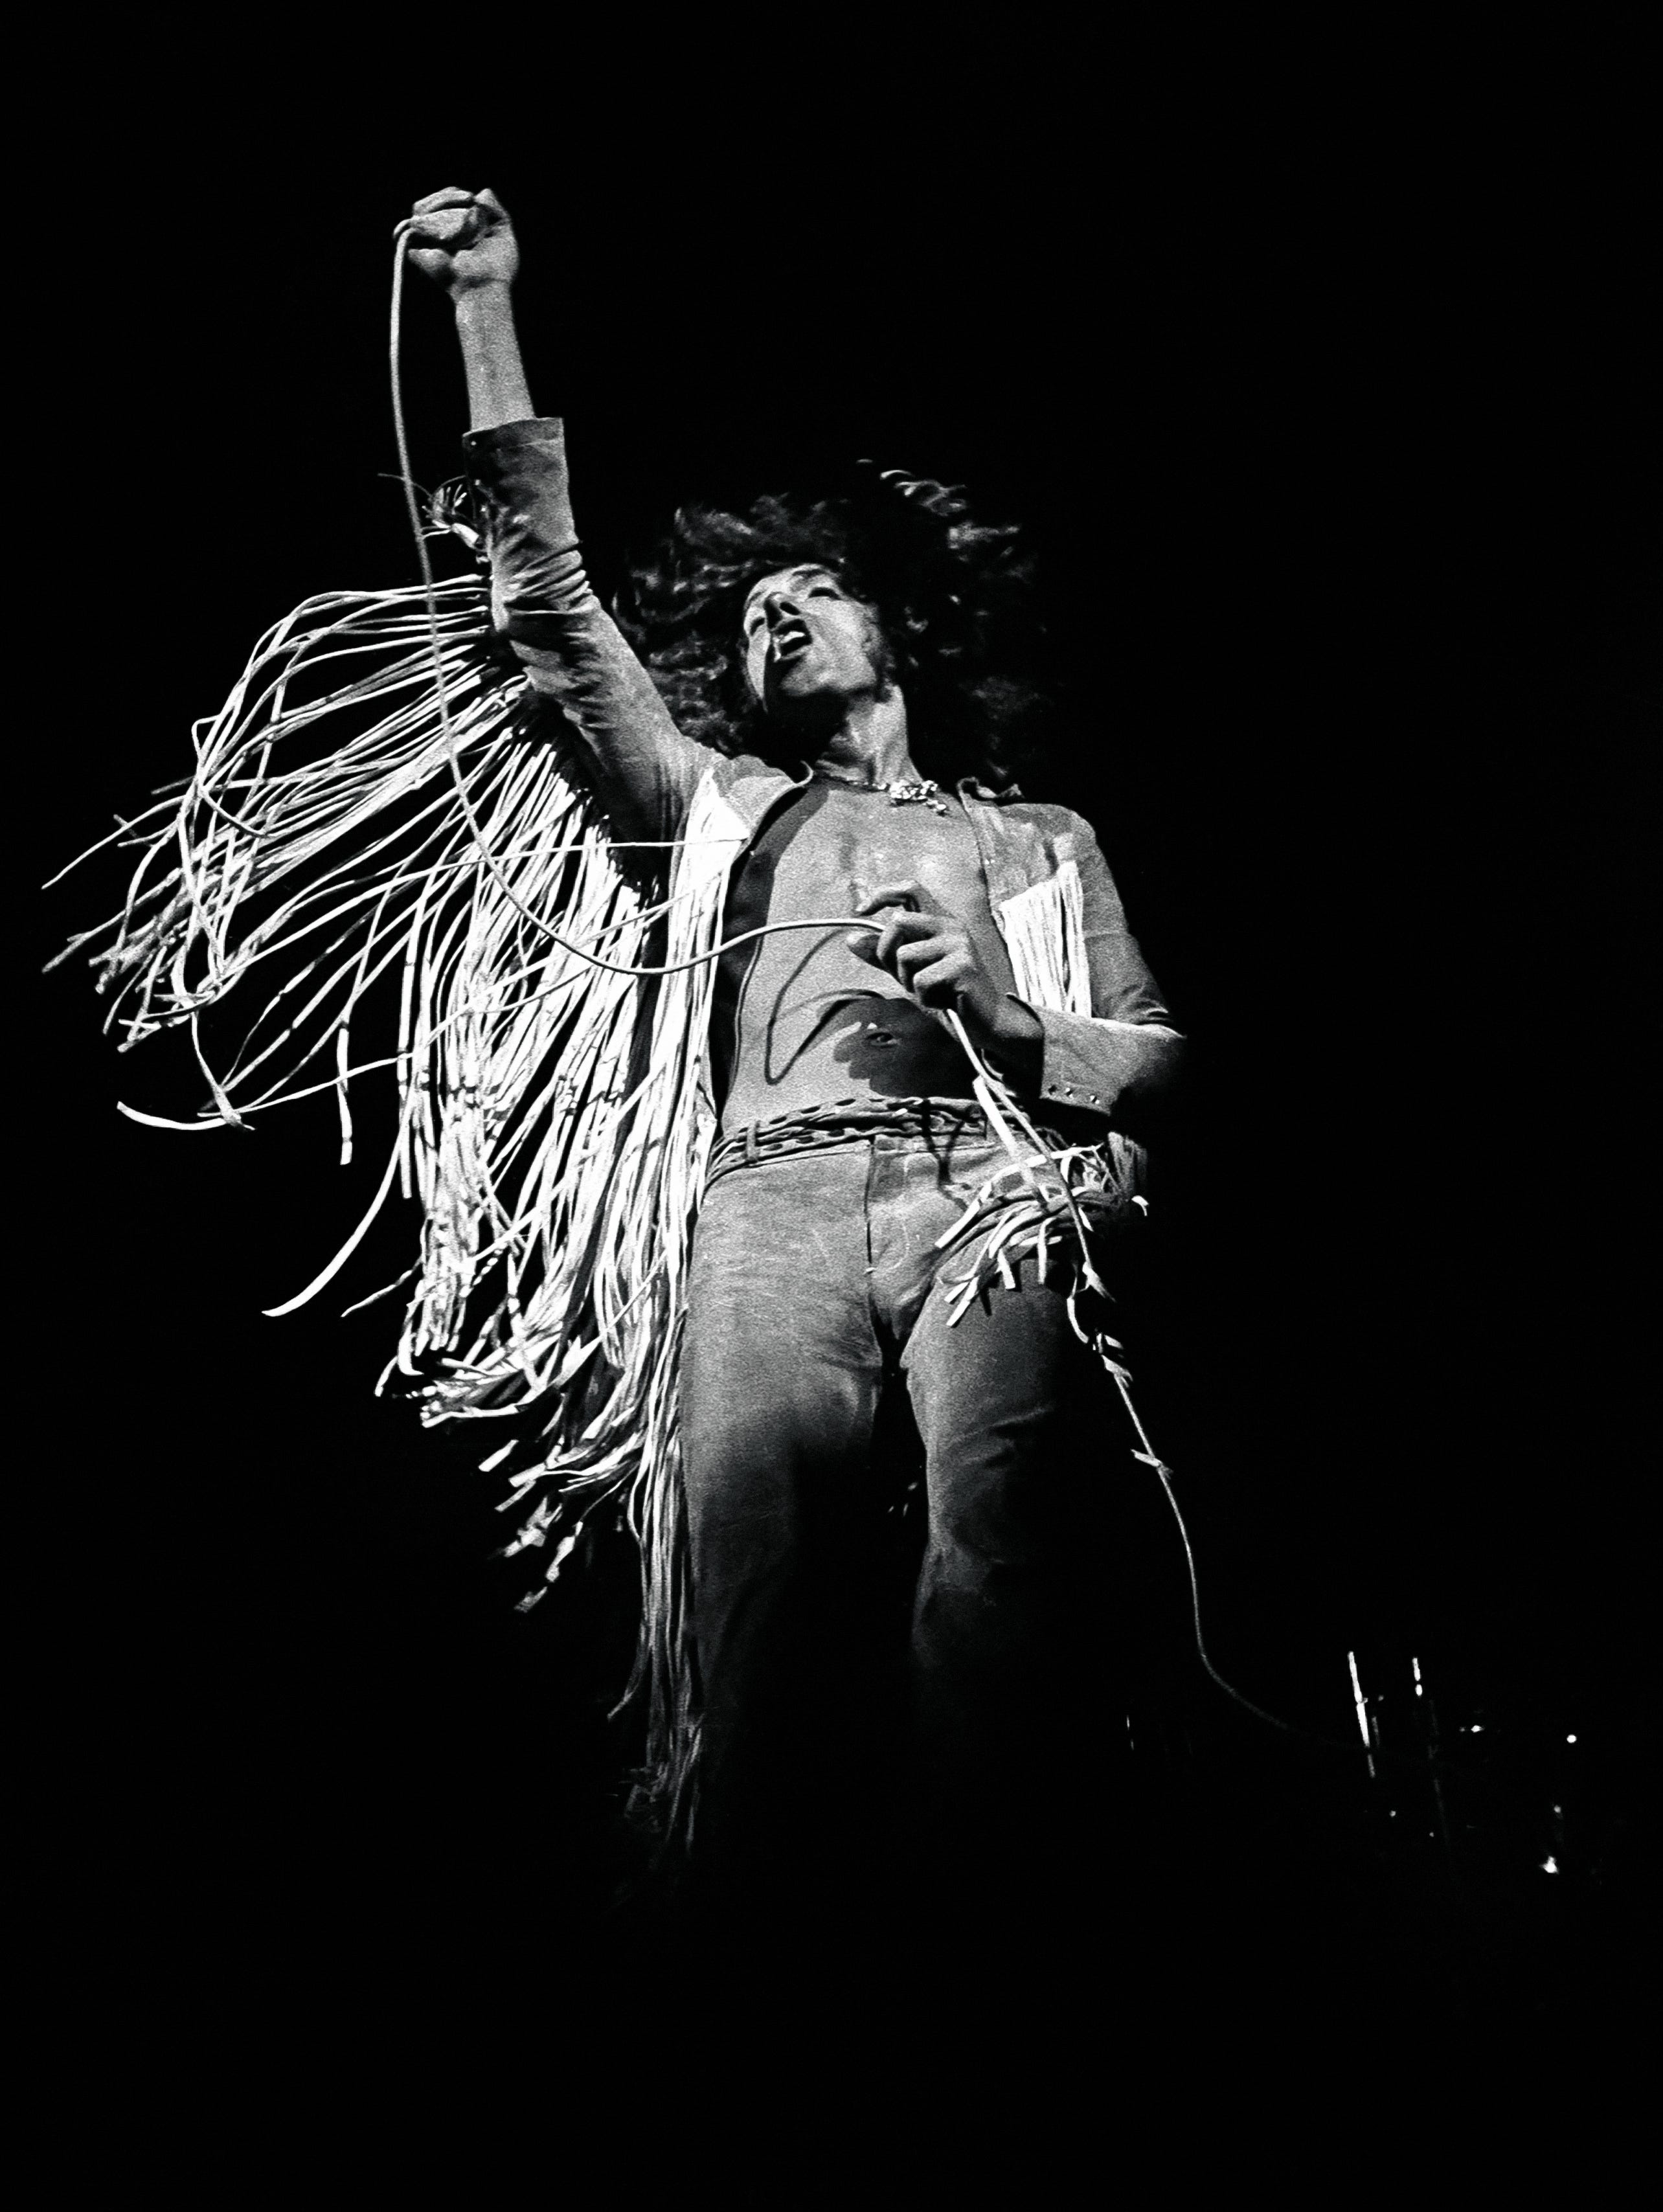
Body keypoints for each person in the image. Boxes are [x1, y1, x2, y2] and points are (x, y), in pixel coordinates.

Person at [403, 187, 1186, 1919]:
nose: (779, 615)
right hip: (766, 1210)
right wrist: (483, 315)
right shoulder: (715, 810)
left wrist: (1003, 1017)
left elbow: (1166, 1068)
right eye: (753, 608)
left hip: (989, 1198)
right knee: (746, 1611)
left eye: (815, 592)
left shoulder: (1038, 835)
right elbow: (547, 609)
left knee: (1005, 1587)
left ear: (895, 634)